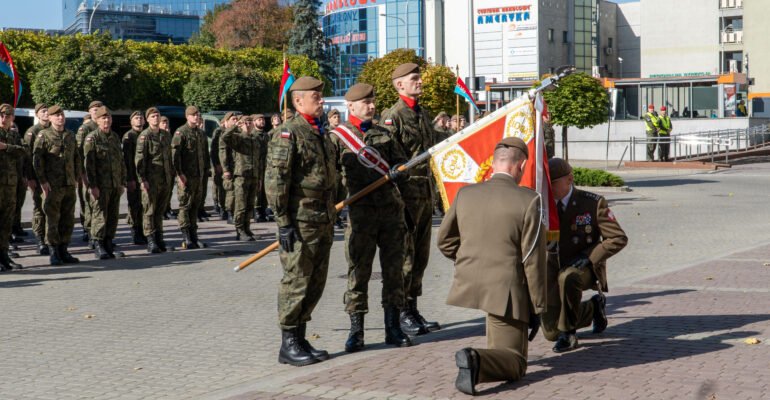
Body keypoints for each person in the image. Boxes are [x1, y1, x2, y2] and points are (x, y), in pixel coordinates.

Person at [438, 137, 546, 396]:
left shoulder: (466, 194)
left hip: (470, 281)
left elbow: (444, 240)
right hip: (507, 289)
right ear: (520, 166)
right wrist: (538, 306)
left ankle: (480, 359)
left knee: (501, 346)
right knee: (517, 362)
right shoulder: (529, 200)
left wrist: (469, 261)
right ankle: (476, 360)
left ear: (495, 163)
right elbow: (533, 260)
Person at [330, 83, 412, 353]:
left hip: (390, 213)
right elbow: (330, 177)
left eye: (373, 101)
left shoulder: (385, 134)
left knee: (394, 273)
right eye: (366, 102)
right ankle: (357, 331)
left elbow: (403, 165)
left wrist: (400, 171)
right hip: (360, 215)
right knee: (358, 272)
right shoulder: (338, 138)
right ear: (351, 106)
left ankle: (393, 327)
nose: (372, 106)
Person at [266, 76, 337, 367]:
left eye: (321, 96)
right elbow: (276, 181)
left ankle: (301, 335)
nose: (321, 101)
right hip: (300, 218)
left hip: (323, 216)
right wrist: (283, 221)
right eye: (315, 97)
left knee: (315, 281)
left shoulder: (320, 131)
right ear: (298, 101)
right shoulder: (288, 133)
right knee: (297, 280)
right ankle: (288, 342)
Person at [380, 62, 440, 335]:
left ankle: (413, 306)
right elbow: (388, 161)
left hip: (425, 193)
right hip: (406, 195)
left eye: (419, 77)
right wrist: (396, 201)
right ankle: (402, 309)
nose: (420, 81)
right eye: (414, 79)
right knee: (406, 256)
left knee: (421, 256)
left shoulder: (423, 113)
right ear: (399, 85)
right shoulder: (394, 116)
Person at [545, 158, 628, 353]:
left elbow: (617, 238)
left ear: (569, 179)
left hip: (583, 267)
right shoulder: (543, 205)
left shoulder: (592, 203)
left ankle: (569, 334)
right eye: (546, 184)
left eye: (553, 184)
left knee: (568, 277)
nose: (549, 189)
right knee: (550, 332)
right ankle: (592, 308)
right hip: (551, 268)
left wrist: (589, 256)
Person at [33, 105, 81, 266]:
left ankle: (64, 249)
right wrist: (43, 181)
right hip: (52, 185)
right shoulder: (43, 135)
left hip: (68, 183)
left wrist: (76, 177)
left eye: (62, 115)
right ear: (51, 118)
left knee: (67, 218)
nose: (60, 118)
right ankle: (53, 251)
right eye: (56, 116)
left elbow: (76, 157)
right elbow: (38, 161)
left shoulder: (70, 135)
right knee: (52, 218)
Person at [84, 107, 126, 260]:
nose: (106, 121)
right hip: (100, 185)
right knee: (100, 215)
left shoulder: (114, 137)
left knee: (113, 216)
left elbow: (121, 161)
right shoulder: (92, 138)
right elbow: (89, 165)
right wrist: (92, 186)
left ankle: (109, 243)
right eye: (103, 118)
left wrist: (122, 182)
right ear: (98, 120)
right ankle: (99, 245)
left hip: (115, 184)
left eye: (108, 118)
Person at [135, 107, 173, 253]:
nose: (156, 118)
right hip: (150, 180)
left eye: (157, 116)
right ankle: (151, 240)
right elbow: (139, 160)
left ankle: (159, 238)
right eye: (152, 116)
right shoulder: (145, 136)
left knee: (159, 211)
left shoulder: (165, 135)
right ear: (148, 119)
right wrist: (142, 179)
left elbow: (170, 157)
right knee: (149, 211)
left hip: (164, 179)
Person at [171, 106, 210, 249]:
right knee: (185, 206)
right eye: (193, 115)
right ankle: (186, 236)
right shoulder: (181, 132)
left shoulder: (200, 133)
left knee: (195, 206)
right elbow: (175, 156)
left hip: (198, 177)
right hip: (186, 177)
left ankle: (194, 235)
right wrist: (179, 174)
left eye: (198, 115)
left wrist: (206, 171)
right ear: (187, 116)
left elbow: (204, 154)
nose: (196, 117)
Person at [221, 115, 261, 241]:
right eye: (245, 122)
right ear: (242, 124)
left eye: (250, 122)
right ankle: (240, 230)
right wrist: (234, 126)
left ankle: (247, 228)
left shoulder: (255, 139)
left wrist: (259, 177)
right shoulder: (238, 138)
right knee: (241, 205)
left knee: (250, 205)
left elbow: (259, 159)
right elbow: (225, 137)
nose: (248, 124)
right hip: (241, 176)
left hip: (253, 175)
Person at [0, 104, 27, 271]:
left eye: (7, 116)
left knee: (6, 223)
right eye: (1, 116)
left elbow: (25, 150)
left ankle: (3, 256)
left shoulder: (13, 135)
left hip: (10, 185)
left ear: (13, 118)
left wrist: (6, 147)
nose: (3, 119)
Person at [23, 104, 51, 255]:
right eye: (43, 111)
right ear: (37, 114)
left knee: (51, 209)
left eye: (47, 111)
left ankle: (50, 238)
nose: (46, 114)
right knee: (39, 209)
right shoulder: (32, 132)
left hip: (52, 178)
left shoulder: (52, 130)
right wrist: (30, 177)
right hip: (37, 178)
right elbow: (27, 157)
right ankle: (40, 240)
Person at [76, 101, 103, 244]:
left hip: (101, 173)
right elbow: (79, 153)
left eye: (99, 109)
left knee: (98, 205)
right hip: (86, 172)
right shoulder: (85, 128)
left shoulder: (103, 127)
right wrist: (82, 174)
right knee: (88, 203)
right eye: (94, 109)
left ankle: (98, 232)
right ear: (90, 111)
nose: (96, 111)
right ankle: (88, 230)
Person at [123, 111, 147, 245]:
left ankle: (143, 230)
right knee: (134, 205)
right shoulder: (129, 136)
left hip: (144, 176)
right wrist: (130, 178)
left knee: (144, 205)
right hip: (134, 176)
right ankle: (135, 232)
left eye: (141, 118)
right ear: (131, 121)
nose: (139, 120)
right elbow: (128, 160)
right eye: (136, 118)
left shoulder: (145, 134)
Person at [210, 112, 236, 221]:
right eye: (233, 119)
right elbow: (215, 150)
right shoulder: (219, 132)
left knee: (230, 189)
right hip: (222, 164)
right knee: (222, 188)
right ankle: (224, 209)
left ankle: (228, 209)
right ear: (226, 121)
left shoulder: (235, 132)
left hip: (234, 165)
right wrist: (216, 164)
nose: (235, 121)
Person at [252, 113, 271, 223]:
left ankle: (263, 210)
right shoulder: (253, 135)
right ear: (254, 122)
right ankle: (256, 211)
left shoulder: (266, 135)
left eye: (263, 120)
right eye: (259, 120)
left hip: (266, 165)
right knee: (256, 190)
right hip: (256, 166)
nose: (262, 121)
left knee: (264, 189)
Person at [159, 116, 175, 219]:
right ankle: (162, 211)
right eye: (163, 123)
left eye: (166, 123)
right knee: (161, 192)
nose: (165, 125)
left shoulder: (169, 136)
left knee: (169, 191)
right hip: (160, 170)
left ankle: (167, 209)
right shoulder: (157, 136)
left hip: (169, 169)